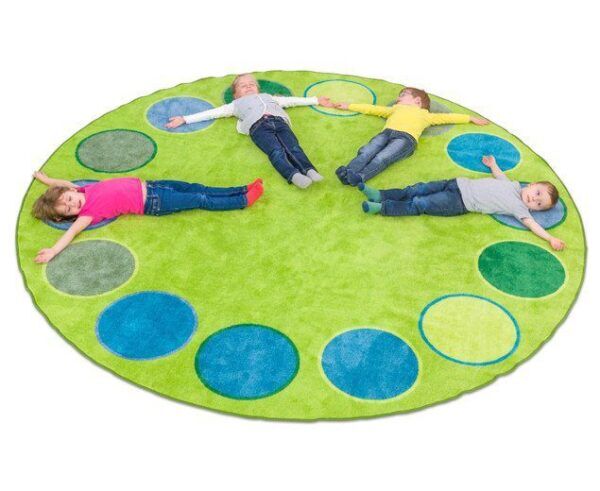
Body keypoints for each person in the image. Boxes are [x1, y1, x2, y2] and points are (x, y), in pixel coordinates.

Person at [31, 171, 264, 263]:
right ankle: (242, 200)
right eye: (68, 210)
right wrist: (53, 250)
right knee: (199, 199)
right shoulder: (87, 214)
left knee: (197, 187)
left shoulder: (80, 189)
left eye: (69, 199)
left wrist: (47, 180)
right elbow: (71, 233)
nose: (73, 204)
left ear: (69, 191)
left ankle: (240, 189)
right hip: (155, 202)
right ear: (69, 216)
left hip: (153, 185)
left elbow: (60, 183)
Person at [358, 156, 566, 251]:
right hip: (456, 183)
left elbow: (533, 225)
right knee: (417, 188)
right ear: (532, 184)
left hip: (458, 202)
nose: (534, 200)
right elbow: (499, 175)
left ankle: (383, 208)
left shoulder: (520, 209)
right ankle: (380, 194)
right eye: (537, 193)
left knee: (420, 203)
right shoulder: (512, 185)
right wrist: (493, 164)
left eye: (539, 204)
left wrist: (550, 238)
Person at [166, 73, 332, 189]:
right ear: (236, 95)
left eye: (252, 84)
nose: (248, 87)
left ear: (258, 89)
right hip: (258, 127)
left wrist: (316, 100)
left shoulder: (269, 97)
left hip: (280, 123)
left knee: (294, 147)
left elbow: (292, 101)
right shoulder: (235, 105)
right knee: (276, 151)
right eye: (243, 86)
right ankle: (293, 175)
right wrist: (185, 119)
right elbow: (213, 112)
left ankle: (309, 170)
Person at [332, 87, 489, 185]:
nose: (398, 98)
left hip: (405, 139)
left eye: (403, 95)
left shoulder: (425, 115)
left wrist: (470, 118)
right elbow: (373, 109)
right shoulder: (395, 109)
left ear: (417, 100)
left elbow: (448, 117)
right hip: (386, 133)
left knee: (382, 158)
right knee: (367, 150)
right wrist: (349, 106)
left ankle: (360, 176)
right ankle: (348, 171)